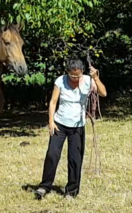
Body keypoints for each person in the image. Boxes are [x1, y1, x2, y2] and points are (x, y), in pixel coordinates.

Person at [34, 58, 107, 200]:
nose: (75, 78)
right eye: (72, 76)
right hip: (59, 124)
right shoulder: (60, 81)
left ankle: (71, 191)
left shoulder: (88, 80)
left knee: (75, 158)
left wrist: (96, 78)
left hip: (78, 127)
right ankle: (44, 186)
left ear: (82, 72)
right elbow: (53, 102)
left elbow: (103, 93)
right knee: (52, 155)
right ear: (67, 72)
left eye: (78, 75)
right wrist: (51, 121)